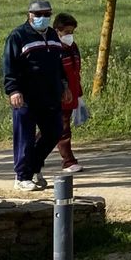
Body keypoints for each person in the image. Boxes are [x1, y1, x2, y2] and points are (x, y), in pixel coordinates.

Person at [2, 0, 66, 192]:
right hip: (26, 97)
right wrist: (13, 90)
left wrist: (65, 85)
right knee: (25, 137)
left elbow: (58, 64)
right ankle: (22, 176)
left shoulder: (54, 35)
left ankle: (34, 167)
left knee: (54, 131)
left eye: (47, 15)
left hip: (50, 95)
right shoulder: (18, 36)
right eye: (38, 14)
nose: (42, 18)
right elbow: (9, 65)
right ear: (29, 15)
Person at [53, 12, 86, 175]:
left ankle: (30, 150)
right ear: (57, 31)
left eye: (72, 32)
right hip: (58, 95)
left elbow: (75, 72)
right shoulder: (53, 48)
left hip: (72, 94)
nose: (70, 36)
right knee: (62, 127)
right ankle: (68, 161)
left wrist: (79, 95)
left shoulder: (73, 47)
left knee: (52, 128)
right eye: (67, 33)